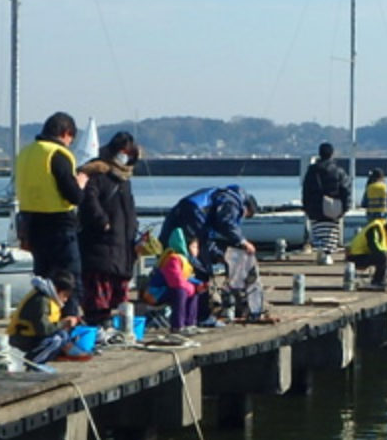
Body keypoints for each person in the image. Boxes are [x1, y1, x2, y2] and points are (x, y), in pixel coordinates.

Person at [15, 111, 87, 314]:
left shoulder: (26, 153)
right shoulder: (57, 153)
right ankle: (70, 323)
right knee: (68, 278)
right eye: (71, 139)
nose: (70, 144)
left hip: (31, 224)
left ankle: (44, 319)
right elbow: (74, 196)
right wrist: (80, 183)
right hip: (59, 224)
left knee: (43, 280)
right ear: (65, 133)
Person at [158, 185, 257, 324]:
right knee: (200, 271)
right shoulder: (233, 201)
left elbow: (207, 237)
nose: (240, 218)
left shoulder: (214, 201)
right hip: (191, 217)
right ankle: (201, 316)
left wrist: (217, 255)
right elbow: (226, 223)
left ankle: (179, 313)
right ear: (246, 207)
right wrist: (243, 242)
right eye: (244, 215)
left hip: (180, 218)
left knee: (173, 262)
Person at [77, 131, 139, 327]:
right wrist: (102, 220)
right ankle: (98, 323)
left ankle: (114, 324)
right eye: (123, 152)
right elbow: (88, 200)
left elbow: (129, 208)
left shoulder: (124, 179)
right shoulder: (98, 172)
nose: (125, 157)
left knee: (118, 290)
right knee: (98, 288)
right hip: (101, 243)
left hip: (122, 243)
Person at [7, 270, 80, 363]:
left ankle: (41, 358)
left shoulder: (46, 296)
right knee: (58, 338)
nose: (65, 300)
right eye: (65, 295)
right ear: (57, 290)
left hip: (31, 336)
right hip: (22, 339)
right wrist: (64, 323)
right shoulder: (41, 301)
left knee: (66, 337)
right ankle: (32, 361)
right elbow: (43, 329)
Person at [145, 228, 203, 334]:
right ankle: (177, 326)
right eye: (194, 247)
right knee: (180, 292)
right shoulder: (173, 259)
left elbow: (186, 278)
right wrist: (191, 288)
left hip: (168, 290)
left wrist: (199, 284)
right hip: (155, 293)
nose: (197, 250)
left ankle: (190, 323)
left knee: (193, 291)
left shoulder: (185, 260)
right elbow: (176, 281)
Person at [302, 142, 352, 265]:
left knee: (318, 230)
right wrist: (346, 207)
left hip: (315, 206)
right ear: (332, 154)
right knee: (331, 231)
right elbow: (345, 190)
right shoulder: (339, 171)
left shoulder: (312, 171)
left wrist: (306, 206)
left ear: (319, 153)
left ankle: (320, 249)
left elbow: (306, 190)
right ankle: (327, 253)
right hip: (333, 206)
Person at [346, 219, 387, 289]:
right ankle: (377, 282)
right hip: (355, 257)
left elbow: (381, 249)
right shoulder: (374, 229)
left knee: (386, 256)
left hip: (365, 254)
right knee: (383, 257)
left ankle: (380, 280)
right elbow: (374, 247)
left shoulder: (384, 233)